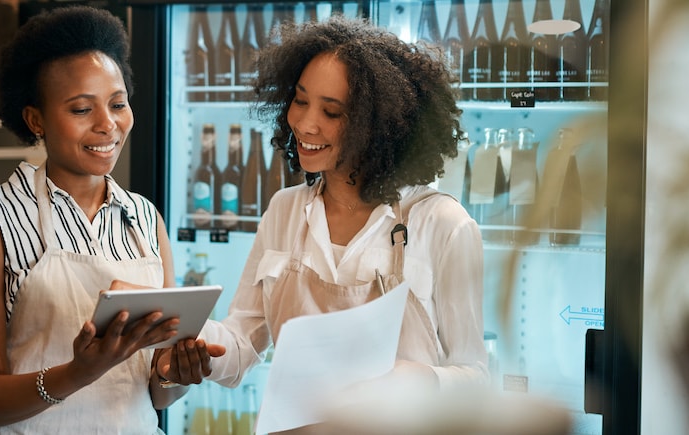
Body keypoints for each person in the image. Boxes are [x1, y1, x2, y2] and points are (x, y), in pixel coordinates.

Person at [196, 14, 488, 427]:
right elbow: (242, 345)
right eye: (300, 100)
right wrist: (190, 338)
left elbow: (475, 379)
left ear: (379, 126)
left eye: (331, 111)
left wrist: (418, 379)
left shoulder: (443, 223)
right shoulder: (285, 209)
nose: (305, 123)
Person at [0, 6, 219, 434]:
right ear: (36, 119)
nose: (108, 126)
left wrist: (173, 373)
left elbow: (152, 390)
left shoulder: (144, 219)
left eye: (117, 104)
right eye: (80, 110)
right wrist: (78, 372)